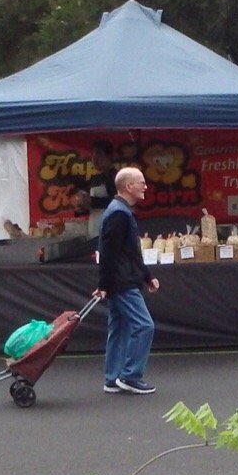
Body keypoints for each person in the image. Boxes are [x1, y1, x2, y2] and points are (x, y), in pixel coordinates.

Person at [93, 166, 161, 395]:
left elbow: (125, 252)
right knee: (144, 326)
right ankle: (130, 375)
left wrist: (146, 277)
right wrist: (103, 284)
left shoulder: (117, 211)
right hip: (122, 282)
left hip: (119, 280)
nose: (145, 186)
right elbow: (109, 252)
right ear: (128, 186)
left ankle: (112, 378)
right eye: (141, 182)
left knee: (120, 328)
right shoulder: (120, 214)